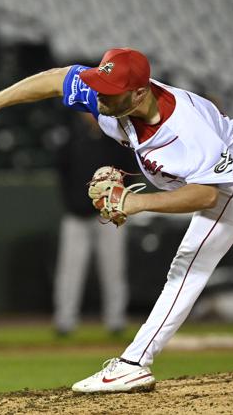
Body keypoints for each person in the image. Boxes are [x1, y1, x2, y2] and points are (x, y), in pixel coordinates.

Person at [0, 47, 233, 393]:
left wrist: (136, 203)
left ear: (137, 95)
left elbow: (208, 195)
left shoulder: (184, 129)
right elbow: (56, 79)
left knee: (189, 265)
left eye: (109, 92)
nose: (97, 98)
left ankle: (134, 363)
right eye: (99, 86)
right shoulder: (114, 97)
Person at [54, 111, 137, 336]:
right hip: (76, 216)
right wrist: (72, 202)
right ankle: (65, 322)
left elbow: (130, 172)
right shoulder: (71, 138)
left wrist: (119, 203)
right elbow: (61, 171)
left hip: (109, 216)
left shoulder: (117, 139)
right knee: (70, 271)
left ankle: (116, 321)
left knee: (114, 269)